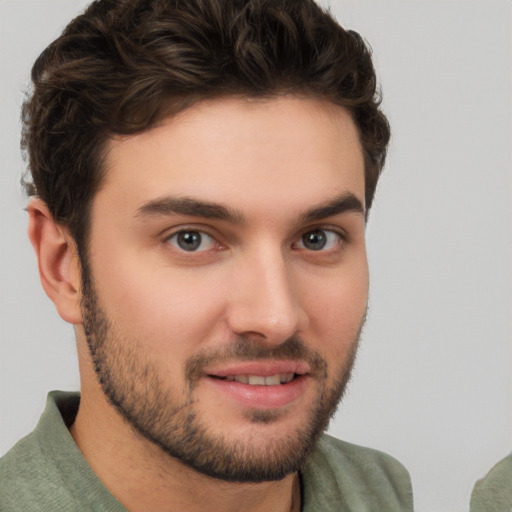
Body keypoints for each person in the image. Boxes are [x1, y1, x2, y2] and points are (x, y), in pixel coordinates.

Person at [0, 0, 414, 510]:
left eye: (317, 238)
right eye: (190, 239)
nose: (276, 317)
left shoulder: (383, 492)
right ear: (62, 266)